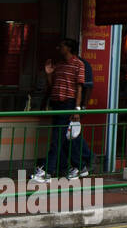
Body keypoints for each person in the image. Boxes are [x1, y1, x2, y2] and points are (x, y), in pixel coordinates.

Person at [32, 38, 89, 183]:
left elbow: (79, 88)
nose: (59, 48)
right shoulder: (59, 65)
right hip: (57, 104)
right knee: (63, 139)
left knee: (57, 139)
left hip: (68, 104)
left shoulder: (78, 64)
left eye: (62, 46)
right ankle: (80, 166)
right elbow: (52, 86)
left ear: (69, 48)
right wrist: (49, 73)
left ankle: (47, 172)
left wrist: (77, 109)